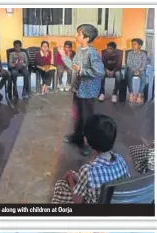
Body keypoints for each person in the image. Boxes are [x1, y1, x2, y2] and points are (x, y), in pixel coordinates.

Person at [52, 114, 130, 204]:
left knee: (60, 185)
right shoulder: (121, 160)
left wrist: (70, 179)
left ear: (85, 140)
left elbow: (78, 201)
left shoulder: (87, 170)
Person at [59, 24, 104, 156]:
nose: (76, 36)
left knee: (87, 117)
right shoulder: (79, 50)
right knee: (78, 116)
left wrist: (82, 70)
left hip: (88, 91)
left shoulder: (92, 53)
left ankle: (86, 142)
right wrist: (63, 56)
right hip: (79, 89)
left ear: (86, 38)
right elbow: (74, 67)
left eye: (79, 34)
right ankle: (77, 137)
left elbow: (100, 72)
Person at [126, 38, 147, 104]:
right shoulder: (130, 53)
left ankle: (140, 95)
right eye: (132, 44)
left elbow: (144, 64)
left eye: (134, 44)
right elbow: (128, 63)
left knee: (144, 78)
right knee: (128, 75)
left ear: (139, 46)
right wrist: (134, 70)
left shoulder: (143, 54)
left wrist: (139, 70)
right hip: (132, 69)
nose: (133, 45)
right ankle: (131, 93)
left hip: (141, 70)